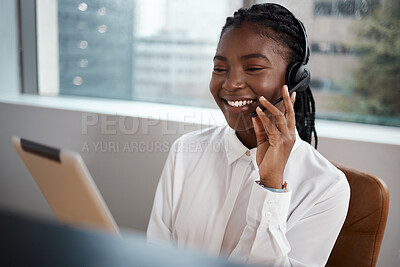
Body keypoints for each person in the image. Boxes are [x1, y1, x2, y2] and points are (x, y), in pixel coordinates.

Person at [147, 3, 350, 266]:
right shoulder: (185, 151)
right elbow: (156, 256)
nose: (230, 84)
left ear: (296, 78)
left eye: (253, 68)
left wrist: (271, 186)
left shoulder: (325, 187)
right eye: (220, 69)